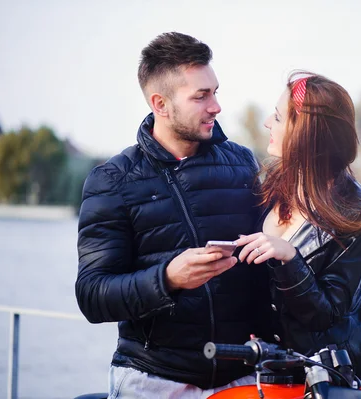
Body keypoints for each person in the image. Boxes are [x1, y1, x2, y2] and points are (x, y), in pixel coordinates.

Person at [75, 32, 269, 398]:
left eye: (215, 91)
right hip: (153, 381)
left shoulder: (243, 164)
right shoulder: (112, 181)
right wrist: (167, 278)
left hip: (243, 378)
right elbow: (92, 294)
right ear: (160, 104)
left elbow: (268, 271)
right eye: (201, 96)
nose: (216, 106)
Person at [236, 72, 361, 383]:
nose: (268, 122)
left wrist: (289, 258)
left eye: (279, 118)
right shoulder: (273, 184)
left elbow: (326, 314)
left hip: (341, 373)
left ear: (306, 134)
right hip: (279, 367)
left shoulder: (358, 212)